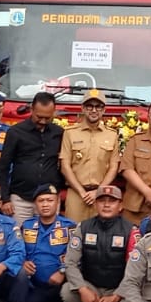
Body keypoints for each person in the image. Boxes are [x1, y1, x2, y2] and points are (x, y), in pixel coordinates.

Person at [62, 185, 134, 302]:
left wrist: (116, 296)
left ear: (120, 206)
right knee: (67, 291)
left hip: (119, 288)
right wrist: (82, 289)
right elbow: (70, 262)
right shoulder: (83, 228)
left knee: (135, 297)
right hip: (92, 287)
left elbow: (135, 272)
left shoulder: (131, 231)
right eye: (102, 201)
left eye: (112, 201)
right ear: (95, 204)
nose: (106, 205)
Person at [9, 184, 77, 302]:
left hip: (60, 281)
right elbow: (17, 250)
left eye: (49, 200)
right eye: (41, 201)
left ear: (57, 202)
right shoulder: (27, 226)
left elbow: (76, 256)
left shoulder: (70, 227)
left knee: (72, 283)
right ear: (35, 205)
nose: (45, 204)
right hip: (35, 283)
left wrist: (62, 271)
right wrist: (23, 262)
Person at [0, 92, 64, 219]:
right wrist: (5, 199)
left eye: (48, 117)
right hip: (21, 199)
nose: (43, 121)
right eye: (39, 117)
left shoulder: (59, 133)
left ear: (54, 112)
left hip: (49, 198)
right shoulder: (15, 132)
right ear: (31, 109)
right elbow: (3, 168)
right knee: (18, 238)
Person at [59, 91, 120, 222]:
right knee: (74, 233)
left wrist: (98, 191)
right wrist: (81, 192)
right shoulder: (70, 133)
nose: (94, 110)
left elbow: (114, 167)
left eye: (98, 106)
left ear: (103, 110)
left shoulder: (112, 135)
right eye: (89, 106)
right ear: (82, 108)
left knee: (100, 236)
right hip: (76, 194)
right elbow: (65, 166)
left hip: (102, 195)